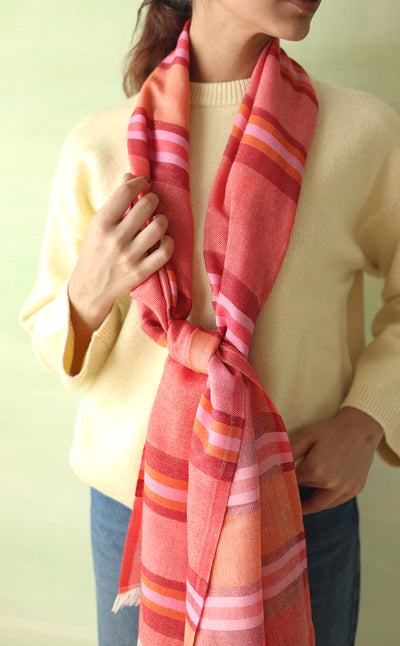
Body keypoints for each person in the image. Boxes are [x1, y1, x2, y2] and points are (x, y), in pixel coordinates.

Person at [20, 0, 400, 645]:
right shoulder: (100, 147)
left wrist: (370, 416)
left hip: (302, 503)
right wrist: (88, 289)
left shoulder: (362, 134)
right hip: (139, 512)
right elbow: (57, 349)